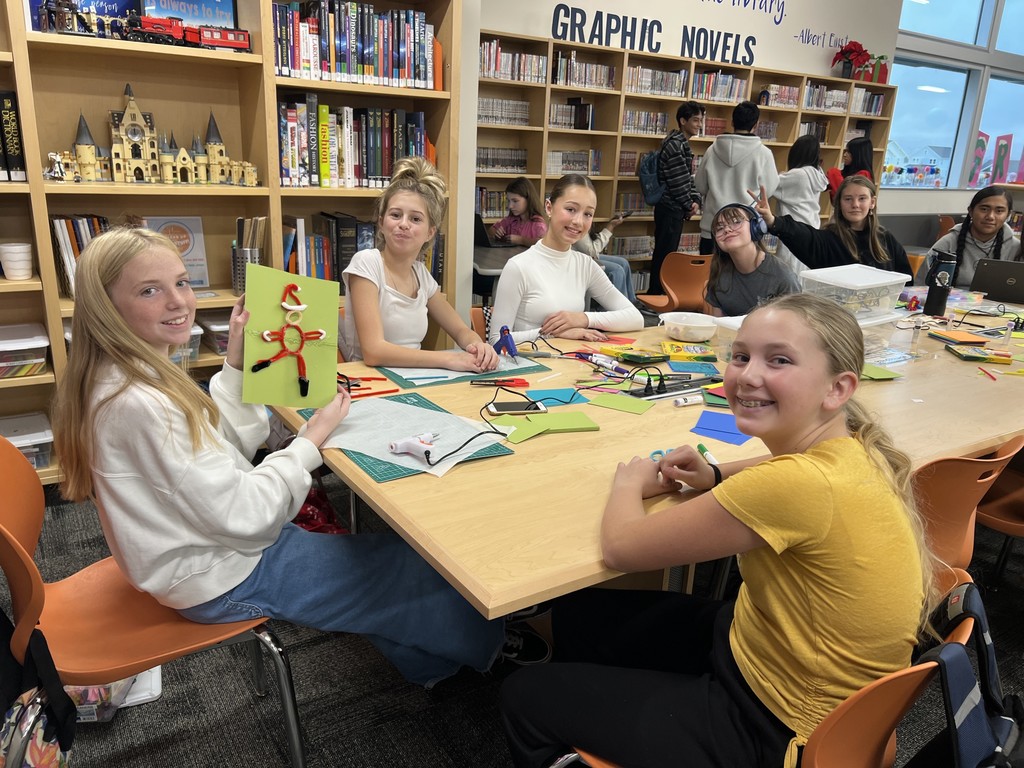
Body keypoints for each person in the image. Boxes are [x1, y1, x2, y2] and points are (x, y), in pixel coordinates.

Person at [51, 227, 548, 691]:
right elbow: (243, 513)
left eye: (180, 282)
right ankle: (485, 649)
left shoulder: (127, 377)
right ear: (106, 307)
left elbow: (212, 446)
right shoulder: (142, 402)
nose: (179, 300)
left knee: (387, 565)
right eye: (149, 291)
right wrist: (308, 443)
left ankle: (435, 666)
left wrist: (238, 364)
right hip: (218, 573)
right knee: (411, 567)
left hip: (207, 548)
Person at [500, 292, 940, 768]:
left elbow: (621, 548)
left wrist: (628, 481)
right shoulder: (853, 447)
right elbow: (781, 474)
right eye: (741, 355)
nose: (748, 374)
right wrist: (714, 474)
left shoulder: (795, 485)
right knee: (581, 616)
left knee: (524, 696)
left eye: (779, 360)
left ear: (837, 389)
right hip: (773, 656)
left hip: (778, 726)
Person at [340, 156, 498, 371]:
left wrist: (479, 346)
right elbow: (373, 352)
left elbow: (461, 331)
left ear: (429, 232)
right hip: (371, 383)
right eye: (395, 215)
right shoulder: (367, 263)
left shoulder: (420, 273)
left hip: (415, 379)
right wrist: (450, 359)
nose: (403, 224)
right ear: (381, 222)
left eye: (415, 219)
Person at [489, 174, 644, 344]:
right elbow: (497, 340)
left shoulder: (585, 265)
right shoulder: (518, 267)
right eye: (570, 209)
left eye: (588, 214)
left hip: (573, 362)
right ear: (549, 207)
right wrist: (554, 333)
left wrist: (583, 319)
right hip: (532, 365)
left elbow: (635, 318)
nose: (578, 221)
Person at [752, 175, 914, 278]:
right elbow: (801, 234)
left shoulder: (885, 238)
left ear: (872, 202)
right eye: (848, 199)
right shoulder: (829, 239)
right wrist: (773, 220)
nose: (855, 205)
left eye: (862, 198)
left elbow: (905, 280)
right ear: (839, 204)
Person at [695, 100, 779, 256]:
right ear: (756, 125)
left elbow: (699, 186)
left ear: (732, 122)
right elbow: (769, 189)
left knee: (708, 277)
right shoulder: (763, 153)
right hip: (745, 230)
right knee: (741, 278)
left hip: (713, 228)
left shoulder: (712, 150)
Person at [705, 204, 800, 316]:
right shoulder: (719, 270)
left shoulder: (782, 276)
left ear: (755, 227)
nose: (727, 229)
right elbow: (717, 323)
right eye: (719, 228)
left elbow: (793, 323)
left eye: (736, 222)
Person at [650, 101, 705, 295]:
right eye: (695, 120)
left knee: (666, 253)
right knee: (665, 254)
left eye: (701, 120)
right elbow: (678, 181)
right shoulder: (675, 145)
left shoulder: (680, 142)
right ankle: (656, 295)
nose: (699, 124)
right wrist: (689, 203)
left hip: (673, 207)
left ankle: (658, 293)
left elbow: (687, 179)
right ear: (683, 120)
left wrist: (695, 200)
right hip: (670, 207)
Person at [923, 186, 1022, 288]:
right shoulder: (948, 244)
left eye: (999, 211)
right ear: (971, 211)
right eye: (984, 209)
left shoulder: (1016, 248)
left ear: (1008, 215)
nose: (990, 217)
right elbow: (922, 287)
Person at [772, 134, 828, 274]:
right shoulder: (816, 174)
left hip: (794, 230)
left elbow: (769, 184)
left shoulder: (799, 175)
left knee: (788, 274)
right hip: (811, 229)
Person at [571, 212, 637, 304]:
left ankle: (631, 302)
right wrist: (610, 226)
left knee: (623, 262)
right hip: (578, 258)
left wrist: (611, 223)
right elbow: (592, 251)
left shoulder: (585, 217)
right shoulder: (575, 222)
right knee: (616, 270)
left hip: (587, 255)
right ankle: (617, 308)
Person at [491, 176, 548, 246]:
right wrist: (496, 233)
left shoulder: (538, 225)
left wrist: (521, 240)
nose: (510, 206)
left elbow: (544, 245)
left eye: (515, 201)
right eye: (509, 201)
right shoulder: (511, 220)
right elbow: (491, 230)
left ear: (528, 199)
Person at [826, 136, 874, 201]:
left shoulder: (864, 174)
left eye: (848, 152)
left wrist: (833, 173)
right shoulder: (847, 172)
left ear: (858, 154)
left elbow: (844, 193)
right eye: (845, 151)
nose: (845, 155)